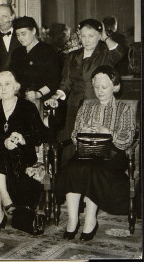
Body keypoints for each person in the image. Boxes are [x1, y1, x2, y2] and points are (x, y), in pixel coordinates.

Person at [55, 65, 135, 241]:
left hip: (113, 154)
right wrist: (82, 130)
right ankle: (73, 220)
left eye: (104, 87)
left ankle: (90, 220)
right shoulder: (86, 107)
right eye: (96, 86)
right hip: (87, 151)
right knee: (71, 169)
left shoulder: (124, 109)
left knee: (92, 169)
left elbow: (127, 139)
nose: (99, 91)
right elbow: (75, 136)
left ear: (115, 86)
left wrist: (108, 132)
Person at [0, 71, 50, 233]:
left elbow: (42, 134)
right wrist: (4, 141)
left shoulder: (27, 106)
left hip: (22, 156)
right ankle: (6, 201)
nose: (3, 88)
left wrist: (22, 139)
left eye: (7, 84)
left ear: (16, 86)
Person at [45, 18, 124, 163]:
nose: (86, 40)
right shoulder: (71, 56)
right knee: (72, 144)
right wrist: (56, 96)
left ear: (99, 36)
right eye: (83, 35)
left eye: (91, 36)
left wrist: (105, 36)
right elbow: (66, 83)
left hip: (96, 105)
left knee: (92, 147)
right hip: (74, 106)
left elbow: (118, 52)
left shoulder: (105, 54)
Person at [9, 16, 60, 110]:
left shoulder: (48, 51)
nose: (20, 38)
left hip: (43, 100)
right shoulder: (17, 53)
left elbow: (54, 80)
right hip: (20, 100)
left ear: (33, 31)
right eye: (18, 35)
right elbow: (12, 76)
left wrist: (38, 93)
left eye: (23, 34)